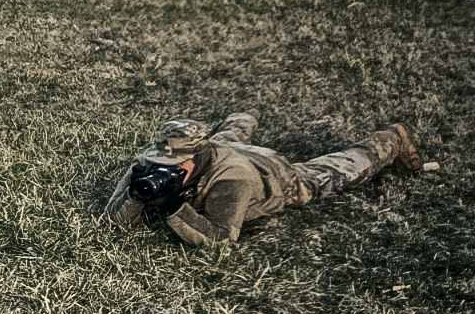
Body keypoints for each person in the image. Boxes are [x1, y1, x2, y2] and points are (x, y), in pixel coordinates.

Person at [104, 113, 426, 245]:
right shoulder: (153, 160)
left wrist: (174, 206)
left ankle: (391, 139)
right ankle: (243, 118)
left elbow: (220, 238)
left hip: (273, 173)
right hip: (224, 148)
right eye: (162, 162)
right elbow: (113, 220)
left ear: (196, 160)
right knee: (226, 139)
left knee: (336, 171)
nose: (163, 168)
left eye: (175, 165)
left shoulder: (233, 179)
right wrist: (136, 194)